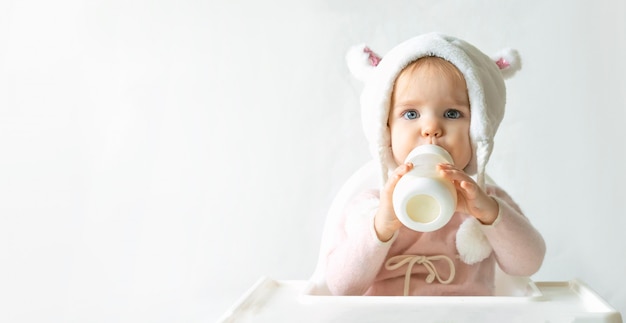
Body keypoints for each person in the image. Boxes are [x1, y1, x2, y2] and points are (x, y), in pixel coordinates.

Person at [309, 33, 546, 296]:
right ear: (386, 131)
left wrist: (489, 213)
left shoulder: (485, 201)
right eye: (411, 114)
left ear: (478, 129)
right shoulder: (371, 207)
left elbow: (529, 264)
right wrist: (381, 227)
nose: (431, 127)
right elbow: (341, 287)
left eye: (452, 113)